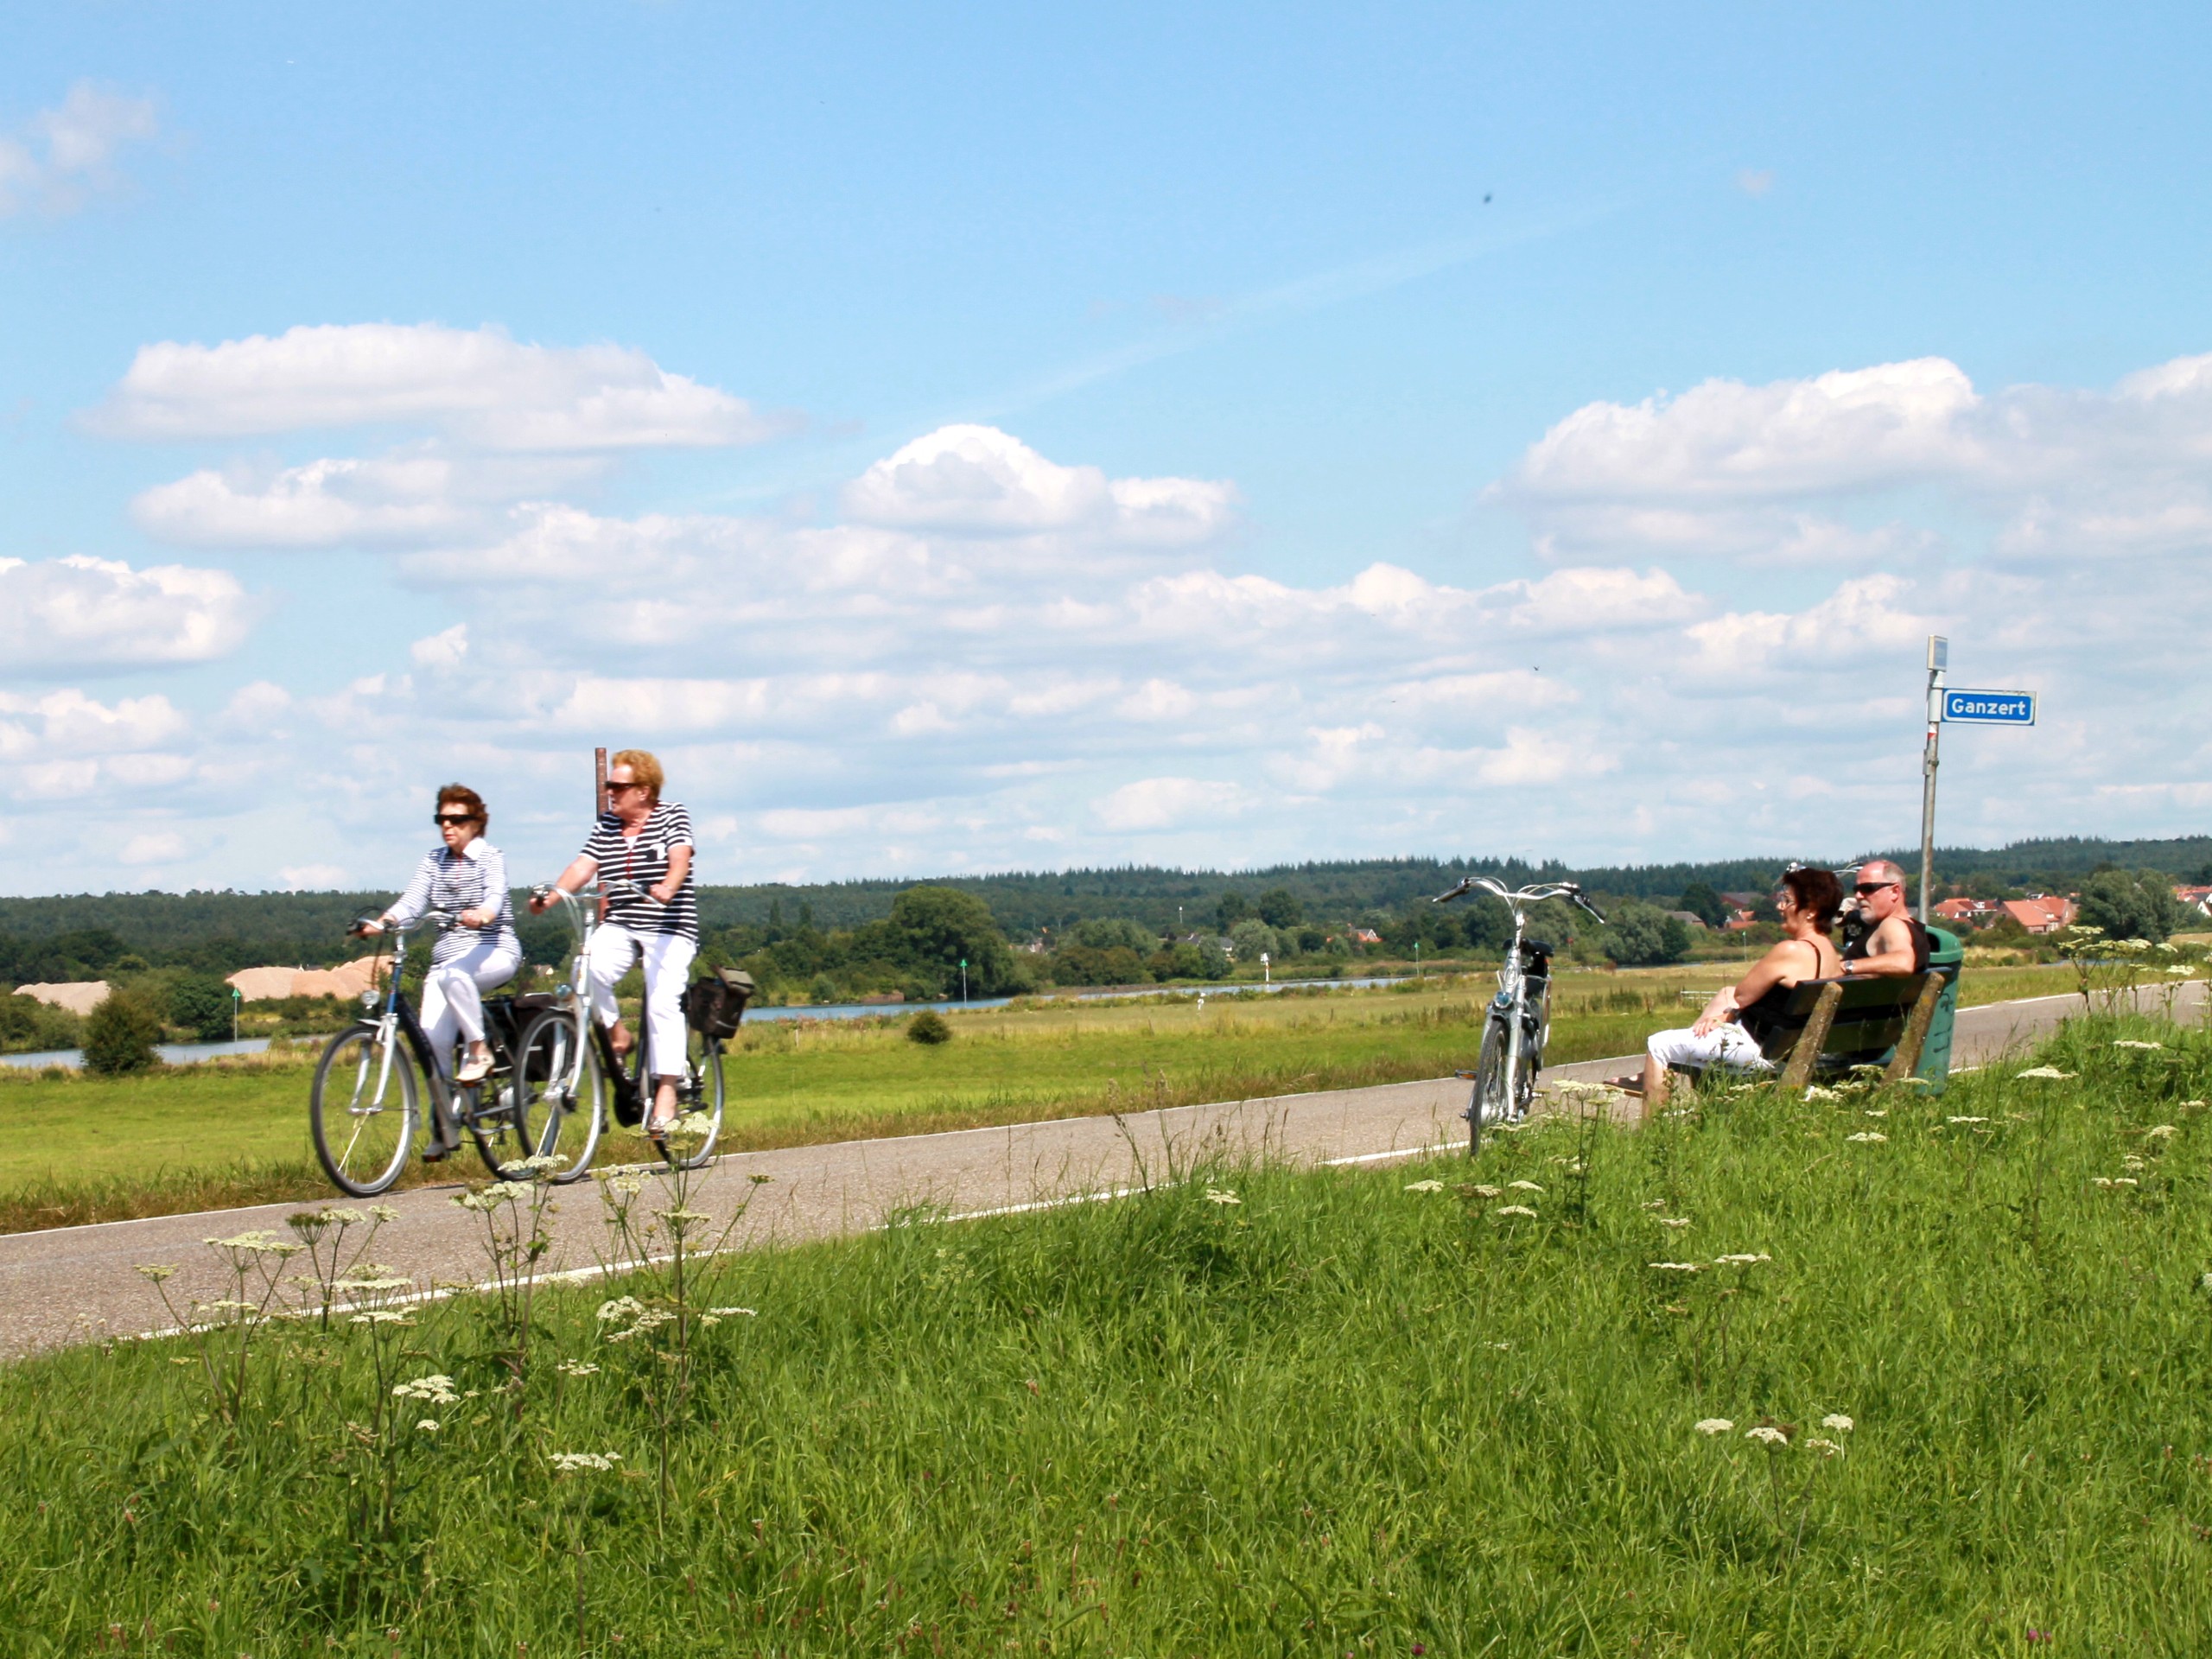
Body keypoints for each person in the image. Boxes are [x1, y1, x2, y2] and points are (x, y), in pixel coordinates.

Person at [531, 749, 697, 1135]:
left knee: (661, 1002)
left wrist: (669, 886)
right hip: (622, 922)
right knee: (583, 970)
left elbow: (680, 857)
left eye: (618, 787)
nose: (610, 793)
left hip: (669, 925)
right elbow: (583, 865)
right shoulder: (607, 824)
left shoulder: (672, 814)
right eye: (608, 786)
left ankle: (667, 1092)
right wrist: (552, 896)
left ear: (643, 790)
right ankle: (617, 1032)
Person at [359, 785, 520, 1152]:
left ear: (476, 823)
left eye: (458, 819)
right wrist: (380, 923)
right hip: (448, 956)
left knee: (453, 976)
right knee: (434, 1043)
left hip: (493, 947)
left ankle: (480, 1051)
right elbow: (412, 900)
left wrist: (485, 913)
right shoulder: (434, 860)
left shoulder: (491, 857)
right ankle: (445, 1125)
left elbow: (496, 893)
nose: (448, 826)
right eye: (442, 819)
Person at [1620, 865, 1845, 1110]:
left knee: (1659, 1044)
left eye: (1787, 901)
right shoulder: (1832, 955)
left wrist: (1726, 1015)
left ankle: (1654, 1134)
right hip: (1800, 1050)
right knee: (1699, 1040)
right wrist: (1726, 1015)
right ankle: (1711, 1116)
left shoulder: (1790, 950)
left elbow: (1742, 994)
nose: (1780, 907)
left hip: (1766, 1052)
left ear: (1810, 911)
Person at [1840, 858, 1929, 978]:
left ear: (1895, 891)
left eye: (1868, 888)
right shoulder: (1914, 929)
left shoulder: (1892, 925)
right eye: (1856, 890)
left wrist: (1846, 966)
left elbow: (1903, 962)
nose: (1858, 896)